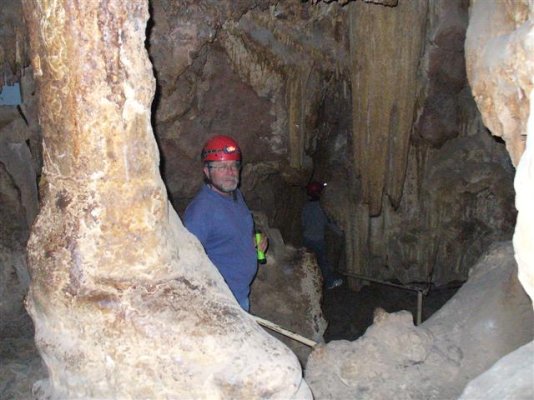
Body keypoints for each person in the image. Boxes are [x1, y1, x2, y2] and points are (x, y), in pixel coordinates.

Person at [183, 134, 267, 311]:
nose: (230, 172)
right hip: (221, 304)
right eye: (221, 167)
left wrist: (255, 241)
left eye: (233, 166)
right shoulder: (201, 211)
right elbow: (187, 264)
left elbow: (236, 230)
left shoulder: (236, 195)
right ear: (207, 171)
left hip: (240, 294)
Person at [301, 181, 343, 290]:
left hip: (306, 238)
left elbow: (303, 223)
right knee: (322, 261)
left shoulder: (306, 207)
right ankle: (329, 282)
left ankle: (308, 283)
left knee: (308, 262)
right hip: (318, 239)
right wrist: (340, 232)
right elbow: (329, 222)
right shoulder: (322, 208)